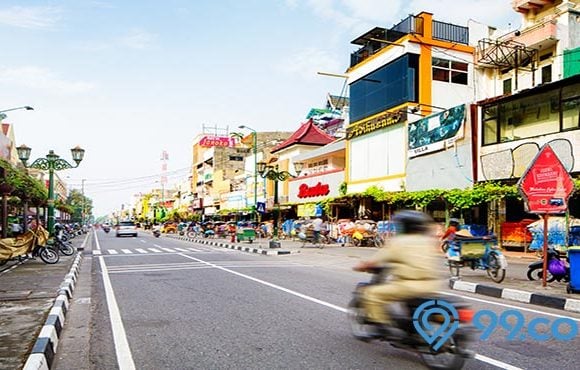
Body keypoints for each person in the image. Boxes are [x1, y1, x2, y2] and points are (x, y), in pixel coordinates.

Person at [353, 210, 443, 330]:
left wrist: (361, 266)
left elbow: (376, 260)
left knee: (372, 293)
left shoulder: (399, 242)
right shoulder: (428, 241)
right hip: (431, 285)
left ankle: (382, 326)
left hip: (408, 285)